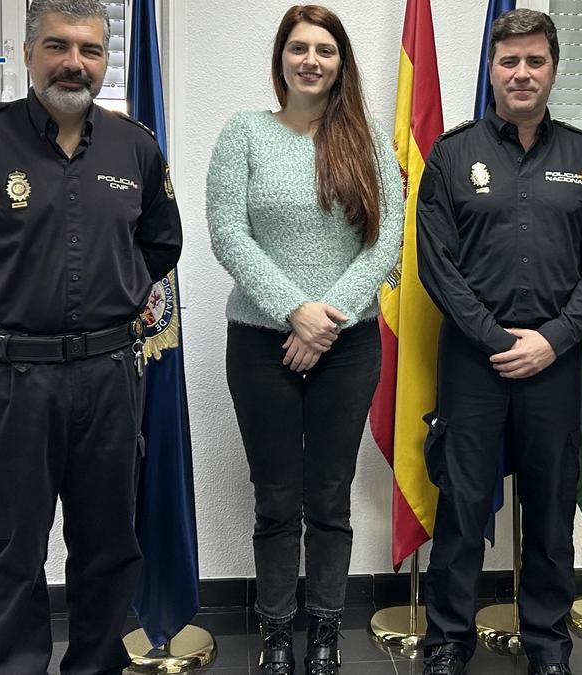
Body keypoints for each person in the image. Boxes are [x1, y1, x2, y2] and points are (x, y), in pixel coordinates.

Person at [0, 0, 182, 671]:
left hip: (111, 378)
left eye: (90, 50)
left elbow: (162, 240)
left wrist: (124, 288)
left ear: (105, 61)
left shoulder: (134, 146)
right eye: (58, 46)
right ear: (29, 53)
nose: (74, 63)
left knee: (110, 546)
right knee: (16, 550)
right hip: (13, 382)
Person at [415, 9, 582, 675]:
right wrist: (497, 337)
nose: (522, 73)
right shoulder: (451, 154)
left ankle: (548, 644)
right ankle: (448, 639)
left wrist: (554, 339)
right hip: (473, 363)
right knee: (463, 505)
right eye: (510, 61)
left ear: (553, 69)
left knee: (551, 509)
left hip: (554, 365)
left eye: (535, 61)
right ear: (493, 70)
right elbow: (435, 262)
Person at [205, 5, 402, 675]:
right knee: (276, 496)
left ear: (341, 62)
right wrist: (294, 310)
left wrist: (327, 319)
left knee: (330, 495)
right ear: (282, 58)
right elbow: (228, 233)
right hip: (261, 342)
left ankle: (324, 629)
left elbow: (387, 241)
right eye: (299, 47)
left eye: (325, 49)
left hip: (349, 344)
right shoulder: (245, 133)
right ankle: (277, 631)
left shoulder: (368, 140)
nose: (311, 60)